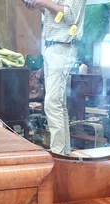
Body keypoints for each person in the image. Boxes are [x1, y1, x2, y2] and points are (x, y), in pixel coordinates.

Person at [23, 0, 87, 155]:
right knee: (58, 103)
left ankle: (58, 153)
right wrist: (40, 7)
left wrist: (43, 2)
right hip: (52, 48)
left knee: (52, 103)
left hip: (62, 48)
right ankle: (63, 153)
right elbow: (57, 17)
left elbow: (70, 16)